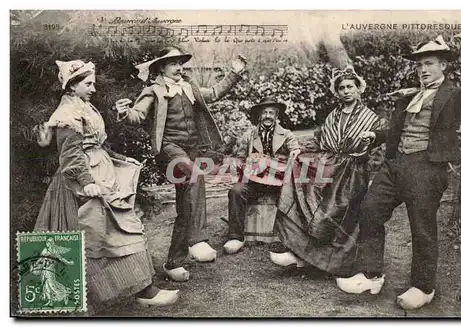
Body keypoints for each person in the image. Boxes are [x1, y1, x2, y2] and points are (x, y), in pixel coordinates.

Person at [336, 34, 461, 310]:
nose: (423, 70)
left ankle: (423, 287)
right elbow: (398, 131)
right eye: (419, 65)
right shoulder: (410, 96)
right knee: (370, 209)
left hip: (427, 167)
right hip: (396, 164)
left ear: (443, 66)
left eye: (429, 64)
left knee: (422, 227)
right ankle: (371, 275)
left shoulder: (452, 95)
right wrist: (375, 135)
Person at [34, 60, 179, 315]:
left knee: (118, 232)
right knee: (102, 236)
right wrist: (87, 183)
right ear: (71, 86)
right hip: (84, 183)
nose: (93, 88)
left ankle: (142, 289)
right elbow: (70, 155)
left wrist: (122, 159)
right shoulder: (68, 114)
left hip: (101, 175)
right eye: (87, 84)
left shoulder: (84, 106)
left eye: (93, 83)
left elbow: (95, 145)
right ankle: (130, 292)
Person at [114, 46, 247, 282]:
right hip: (169, 150)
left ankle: (173, 263)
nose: (179, 67)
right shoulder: (153, 90)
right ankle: (198, 240)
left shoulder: (189, 87)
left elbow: (215, 92)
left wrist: (234, 73)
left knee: (185, 208)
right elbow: (138, 116)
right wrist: (125, 113)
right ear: (161, 67)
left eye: (180, 62)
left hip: (192, 150)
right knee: (196, 175)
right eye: (173, 63)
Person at [269, 66, 384, 276]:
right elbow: (319, 141)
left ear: (359, 89)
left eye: (350, 86)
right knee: (308, 200)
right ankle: (301, 253)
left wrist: (369, 167)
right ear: (337, 92)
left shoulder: (371, 118)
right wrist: (299, 150)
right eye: (342, 88)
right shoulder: (332, 116)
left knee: (337, 212)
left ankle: (336, 262)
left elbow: (378, 151)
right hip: (328, 165)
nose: (346, 91)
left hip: (352, 171)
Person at [223, 96, 301, 254]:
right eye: (264, 113)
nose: (267, 116)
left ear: (276, 116)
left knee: (295, 194)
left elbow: (295, 152)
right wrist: (247, 166)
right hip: (255, 182)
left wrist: (293, 154)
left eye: (271, 113)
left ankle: (291, 237)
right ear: (259, 116)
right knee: (236, 191)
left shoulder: (286, 135)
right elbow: (239, 159)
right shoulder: (249, 136)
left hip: (280, 182)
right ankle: (235, 237)